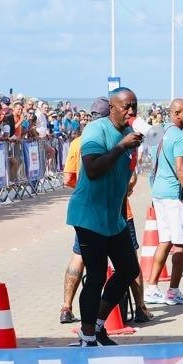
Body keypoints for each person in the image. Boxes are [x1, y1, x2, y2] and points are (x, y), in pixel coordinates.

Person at [66, 87, 143, 347]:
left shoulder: (130, 135)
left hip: (114, 217)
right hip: (89, 215)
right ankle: (87, 335)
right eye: (126, 106)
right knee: (96, 275)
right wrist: (121, 147)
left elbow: (121, 180)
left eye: (135, 105)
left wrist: (123, 218)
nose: (131, 111)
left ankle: (98, 324)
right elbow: (93, 168)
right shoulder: (96, 130)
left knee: (129, 269)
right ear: (112, 108)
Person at [144, 98, 183, 306]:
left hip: (159, 193)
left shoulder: (159, 132)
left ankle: (151, 288)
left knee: (164, 240)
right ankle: (173, 291)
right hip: (174, 196)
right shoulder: (179, 137)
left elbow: (152, 165)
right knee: (180, 244)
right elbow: (181, 169)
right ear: (176, 113)